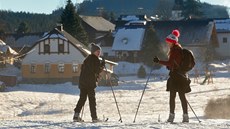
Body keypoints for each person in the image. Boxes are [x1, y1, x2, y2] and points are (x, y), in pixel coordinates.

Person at [153, 29, 191, 123]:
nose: (167, 43)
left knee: (173, 97)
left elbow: (170, 63)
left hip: (176, 77)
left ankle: (171, 116)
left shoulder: (175, 51)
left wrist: (159, 61)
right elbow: (173, 64)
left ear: (173, 42)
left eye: (168, 42)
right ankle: (185, 116)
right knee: (182, 97)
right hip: (181, 77)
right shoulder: (178, 49)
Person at [73, 43, 105, 122]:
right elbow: (96, 70)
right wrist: (102, 65)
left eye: (99, 51)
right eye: (97, 51)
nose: (99, 53)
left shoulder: (87, 59)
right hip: (90, 83)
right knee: (92, 100)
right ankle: (94, 118)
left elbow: (87, 70)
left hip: (83, 82)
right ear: (93, 52)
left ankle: (76, 116)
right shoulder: (95, 59)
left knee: (82, 99)